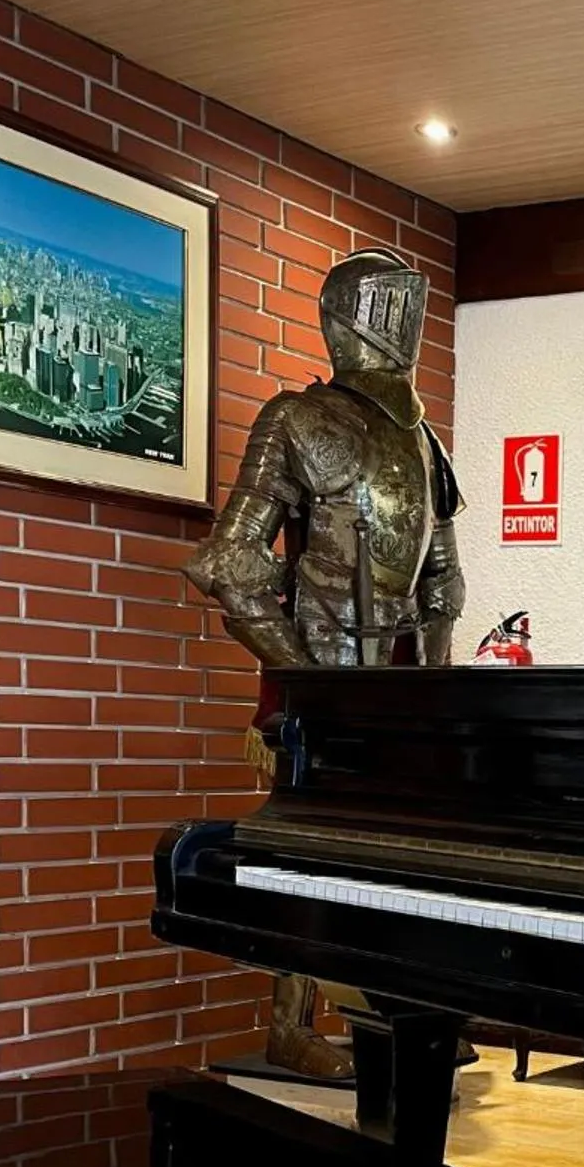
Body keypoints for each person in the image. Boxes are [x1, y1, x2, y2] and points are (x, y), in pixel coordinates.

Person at [186, 246, 466, 1077]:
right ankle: (289, 1025)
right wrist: (306, 676)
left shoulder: (423, 440)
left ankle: (387, 1005)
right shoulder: (296, 418)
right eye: (388, 304)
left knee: (398, 854)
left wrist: (432, 692)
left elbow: (443, 577)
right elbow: (229, 561)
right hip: (322, 669)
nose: (403, 322)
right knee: (305, 851)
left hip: (399, 682)